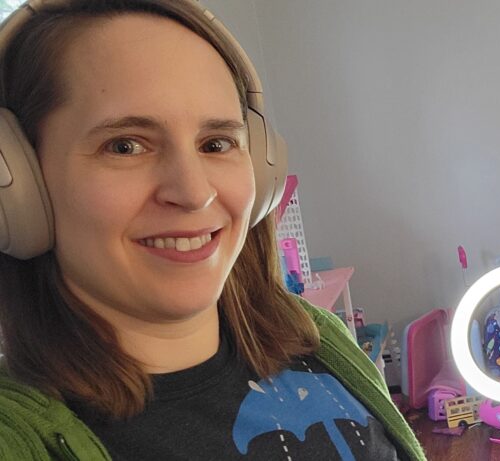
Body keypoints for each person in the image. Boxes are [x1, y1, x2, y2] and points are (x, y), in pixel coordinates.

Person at [0, 1, 425, 459]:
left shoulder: (315, 335)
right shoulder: (19, 438)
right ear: (19, 183)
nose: (194, 192)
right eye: (125, 146)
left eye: (216, 143)